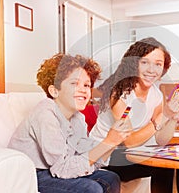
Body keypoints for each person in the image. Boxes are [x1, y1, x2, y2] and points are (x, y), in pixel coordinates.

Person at [8, 53, 131, 193]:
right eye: (74, 83)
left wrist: (113, 141)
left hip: (53, 169)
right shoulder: (45, 114)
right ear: (54, 91)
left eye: (86, 85)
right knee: (91, 188)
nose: (83, 90)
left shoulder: (78, 118)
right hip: (31, 174)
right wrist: (108, 142)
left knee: (111, 178)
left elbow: (84, 155)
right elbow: (62, 168)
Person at [89, 37, 179, 193]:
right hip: (105, 154)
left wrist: (173, 116)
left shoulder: (156, 95)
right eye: (145, 62)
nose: (152, 70)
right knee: (162, 166)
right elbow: (130, 141)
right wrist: (164, 115)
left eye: (158, 64)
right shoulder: (118, 93)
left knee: (178, 160)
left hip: (129, 153)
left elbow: (161, 139)